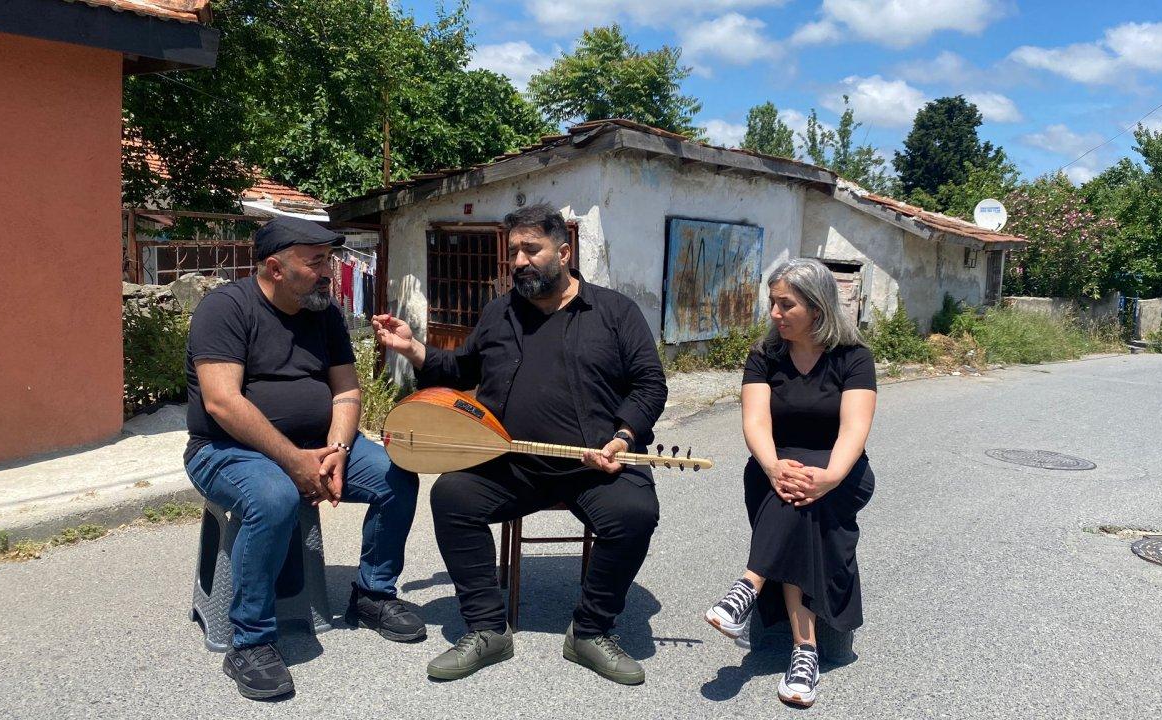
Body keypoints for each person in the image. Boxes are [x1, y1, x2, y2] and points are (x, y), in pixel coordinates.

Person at [372, 203, 666, 685]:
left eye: (533, 249)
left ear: (565, 252)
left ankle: (590, 632)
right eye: (514, 252)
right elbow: (461, 370)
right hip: (511, 462)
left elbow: (650, 385)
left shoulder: (614, 312)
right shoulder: (499, 312)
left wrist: (623, 436)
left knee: (634, 514)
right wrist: (413, 348)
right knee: (451, 497)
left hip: (596, 463)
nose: (520, 261)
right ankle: (488, 628)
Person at [184, 216, 423, 701]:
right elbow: (222, 403)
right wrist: (294, 462)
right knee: (272, 498)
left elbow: (347, 390)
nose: (328, 272)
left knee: (397, 474)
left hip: (319, 446)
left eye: (328, 261)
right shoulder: (224, 310)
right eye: (316, 262)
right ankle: (249, 642)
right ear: (275, 267)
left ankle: (373, 594)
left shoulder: (325, 314)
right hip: (225, 450)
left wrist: (336, 451)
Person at [703, 258, 877, 708]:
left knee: (800, 498)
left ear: (817, 309)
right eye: (773, 303)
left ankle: (749, 586)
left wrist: (830, 477)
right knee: (794, 498)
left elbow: (854, 431)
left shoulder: (852, 358)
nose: (775, 313)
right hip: (774, 470)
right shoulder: (765, 356)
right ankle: (805, 653)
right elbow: (755, 421)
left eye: (786, 305)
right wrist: (773, 466)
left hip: (840, 470)